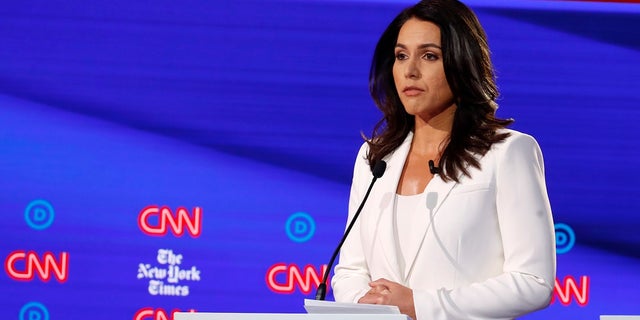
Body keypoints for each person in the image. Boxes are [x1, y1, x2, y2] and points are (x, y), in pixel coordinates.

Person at [330, 0, 556, 319]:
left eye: (429, 56)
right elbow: (351, 270)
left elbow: (533, 282)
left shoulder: (507, 152)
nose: (410, 70)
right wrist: (367, 308)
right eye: (401, 56)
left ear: (461, 62)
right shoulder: (374, 157)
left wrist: (420, 305)